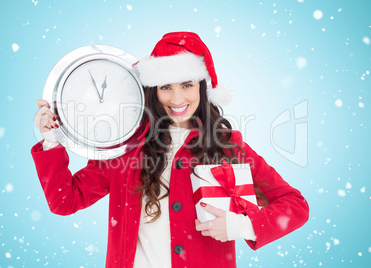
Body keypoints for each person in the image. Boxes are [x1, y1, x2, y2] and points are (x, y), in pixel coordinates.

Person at [31, 32, 309, 268]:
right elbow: (65, 201)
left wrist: (241, 225)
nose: (177, 99)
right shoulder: (126, 146)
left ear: (202, 87)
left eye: (187, 85)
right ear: (153, 91)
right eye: (166, 87)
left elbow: (295, 206)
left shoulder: (227, 145)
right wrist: (52, 140)